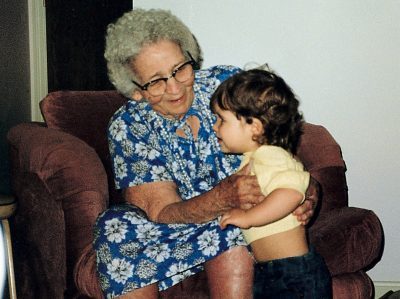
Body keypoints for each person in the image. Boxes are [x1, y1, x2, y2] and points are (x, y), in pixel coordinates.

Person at [93, 8, 318, 299]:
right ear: (135, 90)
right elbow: (160, 213)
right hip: (176, 230)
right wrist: (218, 199)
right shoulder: (129, 126)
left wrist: (307, 191)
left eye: (180, 69)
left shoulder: (227, 86)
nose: (174, 88)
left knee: (234, 223)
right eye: (156, 81)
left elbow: (280, 147)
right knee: (114, 226)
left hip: (243, 220)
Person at [211, 67, 332, 298]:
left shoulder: (272, 156)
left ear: (254, 127)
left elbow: (291, 194)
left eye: (221, 120)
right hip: (273, 270)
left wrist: (247, 217)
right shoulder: (255, 159)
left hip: (292, 272)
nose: (215, 126)